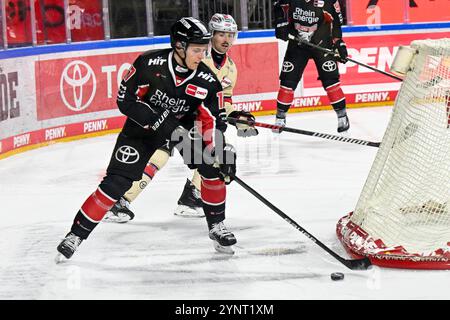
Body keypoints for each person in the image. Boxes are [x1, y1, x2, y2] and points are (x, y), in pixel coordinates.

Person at [55, 17, 239, 262]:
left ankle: (217, 227)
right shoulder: (149, 63)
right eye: (196, 50)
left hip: (182, 130)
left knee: (212, 169)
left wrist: (220, 149)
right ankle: (75, 235)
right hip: (141, 131)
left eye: (203, 50)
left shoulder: (206, 80)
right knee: (115, 184)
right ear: (179, 46)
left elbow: (215, 118)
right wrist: (158, 119)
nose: (201, 55)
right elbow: (125, 101)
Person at [103, 14, 257, 223]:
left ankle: (192, 196)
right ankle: (123, 198)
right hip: (173, 114)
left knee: (216, 154)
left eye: (230, 35)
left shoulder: (231, 67)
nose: (226, 40)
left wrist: (236, 116)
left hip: (196, 120)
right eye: (221, 34)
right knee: (160, 153)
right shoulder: (199, 56)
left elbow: (221, 103)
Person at [273, 0, 350, 134]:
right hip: (297, 43)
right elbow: (278, 6)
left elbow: (337, 24)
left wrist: (339, 43)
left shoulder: (329, 2)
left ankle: (342, 116)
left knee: (331, 81)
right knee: (287, 82)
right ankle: (280, 118)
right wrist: (281, 23)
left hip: (322, 44)